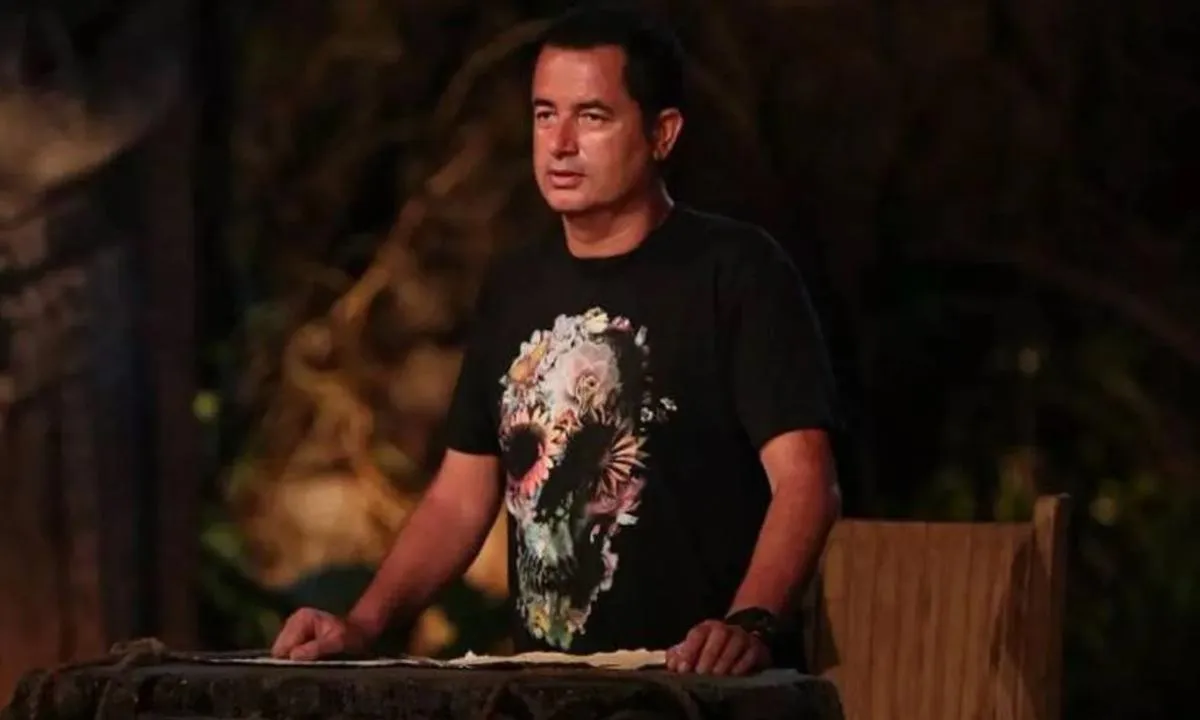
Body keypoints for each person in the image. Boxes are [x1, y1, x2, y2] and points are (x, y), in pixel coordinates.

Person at [270, 3, 841, 677]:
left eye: (592, 116)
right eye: (545, 114)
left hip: (700, 687)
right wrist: (364, 624)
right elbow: (460, 496)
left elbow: (806, 480)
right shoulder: (514, 286)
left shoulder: (737, 272)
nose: (560, 143)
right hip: (545, 690)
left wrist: (751, 622)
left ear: (662, 133)